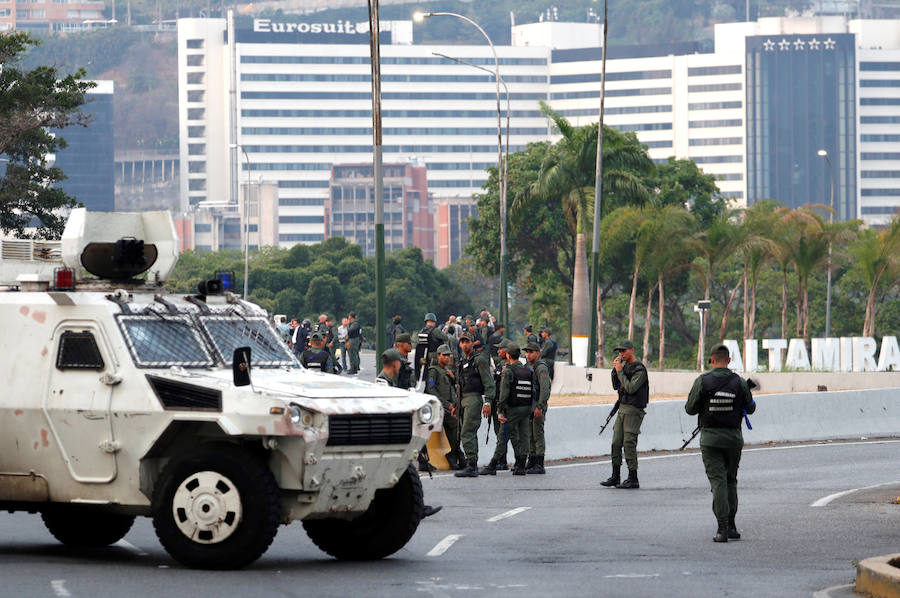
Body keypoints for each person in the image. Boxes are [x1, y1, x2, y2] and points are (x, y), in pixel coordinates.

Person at [685, 343, 756, 543]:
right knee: (731, 480)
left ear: (712, 360)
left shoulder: (702, 381)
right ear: (729, 361)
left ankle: (722, 528)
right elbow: (750, 409)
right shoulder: (739, 382)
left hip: (710, 440)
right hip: (733, 439)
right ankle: (732, 525)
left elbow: (690, 409)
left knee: (718, 482)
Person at [376, 349, 442, 518]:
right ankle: (410, 508)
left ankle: (412, 507)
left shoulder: (390, 381)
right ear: (395, 364)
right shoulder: (382, 383)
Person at [600, 339, 648, 489]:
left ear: (632, 350)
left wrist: (620, 370)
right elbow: (617, 386)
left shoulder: (639, 369)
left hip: (633, 410)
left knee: (629, 442)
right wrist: (615, 371)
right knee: (616, 442)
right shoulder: (624, 367)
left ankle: (633, 478)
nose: (621, 354)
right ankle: (615, 476)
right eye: (620, 351)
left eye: (624, 351)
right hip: (622, 407)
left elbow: (631, 388)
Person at [484, 342, 532, 476]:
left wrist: (500, 411)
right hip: (526, 408)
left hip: (512, 409)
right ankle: (521, 465)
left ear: (508, 355)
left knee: (502, 436)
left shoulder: (508, 370)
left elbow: (504, 393)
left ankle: (493, 464)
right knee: (523, 437)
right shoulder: (527, 370)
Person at [453, 331, 495, 478]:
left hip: (474, 399)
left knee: (467, 432)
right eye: (462, 342)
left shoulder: (479, 360)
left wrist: (488, 402)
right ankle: (472, 464)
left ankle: (471, 465)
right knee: (466, 432)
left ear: (472, 343)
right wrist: (455, 405)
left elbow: (489, 383)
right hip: (462, 400)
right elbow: (459, 384)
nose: (465, 344)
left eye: (467, 342)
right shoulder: (462, 360)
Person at [425, 344, 463, 470]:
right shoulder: (433, 371)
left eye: (448, 355)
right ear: (438, 356)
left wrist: (453, 378)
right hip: (438, 407)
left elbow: (453, 389)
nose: (447, 357)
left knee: (459, 427)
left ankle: (457, 453)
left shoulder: (447, 370)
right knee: (454, 424)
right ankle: (453, 454)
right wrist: (447, 405)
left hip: (449, 407)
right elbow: (431, 390)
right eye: (444, 355)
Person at [480, 338, 511, 474]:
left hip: (504, 405)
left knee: (502, 434)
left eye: (500, 349)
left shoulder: (509, 366)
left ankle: (502, 461)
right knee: (498, 433)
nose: (498, 351)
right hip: (496, 403)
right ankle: (502, 460)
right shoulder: (500, 364)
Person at [524, 341, 551, 474]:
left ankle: (539, 464)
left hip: (537, 405)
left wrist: (540, 406)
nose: (528, 355)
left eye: (531, 352)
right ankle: (532, 459)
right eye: (527, 352)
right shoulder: (528, 367)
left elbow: (545, 389)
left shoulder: (541, 368)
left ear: (538, 353)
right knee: (530, 434)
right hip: (529, 406)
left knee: (537, 434)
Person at [416, 312, 450, 380]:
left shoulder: (422, 331)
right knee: (437, 373)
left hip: (424, 357)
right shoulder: (435, 330)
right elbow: (445, 337)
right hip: (434, 356)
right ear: (433, 321)